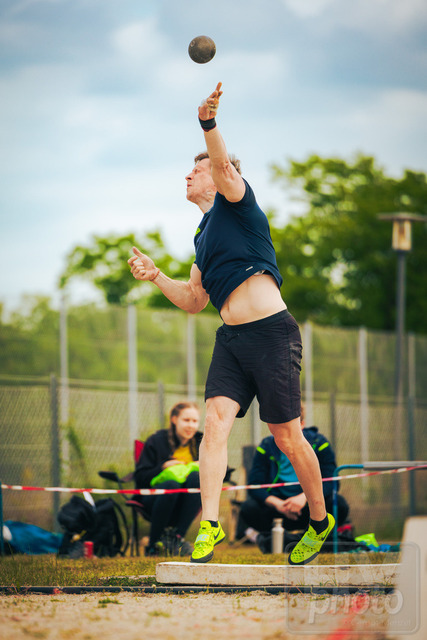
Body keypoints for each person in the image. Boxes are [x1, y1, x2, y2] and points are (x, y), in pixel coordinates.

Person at [128, 82, 335, 565]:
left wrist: (209, 123)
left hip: (272, 333)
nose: (188, 174)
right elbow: (194, 299)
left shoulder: (237, 203)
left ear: (221, 175)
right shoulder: (202, 237)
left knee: (286, 436)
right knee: (215, 424)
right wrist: (156, 275)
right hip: (232, 341)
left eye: (196, 168)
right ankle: (211, 524)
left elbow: (222, 165)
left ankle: (319, 520)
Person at [236, 405, 350, 552]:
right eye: (279, 424)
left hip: (310, 507)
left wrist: (304, 499)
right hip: (278, 509)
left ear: (302, 424)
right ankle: (284, 541)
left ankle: (298, 539)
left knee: (339, 504)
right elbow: (254, 485)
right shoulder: (266, 446)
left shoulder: (319, 444)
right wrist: (278, 504)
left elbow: (331, 482)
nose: (284, 429)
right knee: (248, 508)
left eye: (290, 424)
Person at [134, 401, 202, 556]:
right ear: (174, 419)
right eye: (186, 420)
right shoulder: (156, 440)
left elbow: (224, 471)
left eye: (195, 421)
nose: (191, 425)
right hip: (154, 499)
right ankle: (153, 544)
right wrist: (163, 467)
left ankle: (177, 538)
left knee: (196, 477)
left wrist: (204, 465)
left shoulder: (201, 441)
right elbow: (140, 477)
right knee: (171, 485)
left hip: (187, 502)